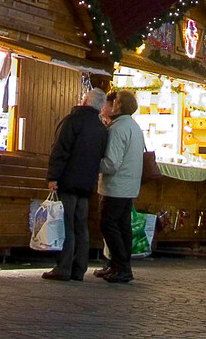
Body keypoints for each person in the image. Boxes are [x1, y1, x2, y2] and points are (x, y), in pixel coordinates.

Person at [42, 87, 109, 283]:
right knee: (81, 226)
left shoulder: (73, 121)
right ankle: (79, 269)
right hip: (86, 184)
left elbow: (60, 150)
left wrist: (53, 177)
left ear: (85, 100)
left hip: (68, 180)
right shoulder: (101, 129)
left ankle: (63, 268)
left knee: (67, 225)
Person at [97, 89, 145, 284]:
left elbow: (111, 163)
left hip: (116, 186)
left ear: (119, 106)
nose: (110, 103)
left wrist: (93, 163)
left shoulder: (117, 129)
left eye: (114, 101)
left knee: (108, 224)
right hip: (129, 185)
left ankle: (121, 266)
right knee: (123, 226)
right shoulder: (134, 126)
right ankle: (120, 265)